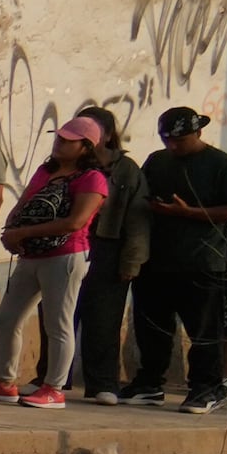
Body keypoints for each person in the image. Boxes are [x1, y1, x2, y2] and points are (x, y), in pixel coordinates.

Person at [0, 115, 111, 409]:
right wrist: (10, 231)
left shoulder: (92, 178)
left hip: (66, 255)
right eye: (59, 138)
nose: (59, 143)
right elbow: (24, 202)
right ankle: (5, 381)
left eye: (67, 140)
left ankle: (54, 387)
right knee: (7, 317)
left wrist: (24, 232)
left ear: (85, 146)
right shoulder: (46, 171)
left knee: (58, 322)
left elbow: (76, 222)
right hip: (31, 254)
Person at [135, 106, 227, 414]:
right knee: (153, 326)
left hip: (202, 262)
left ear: (198, 133)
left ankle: (205, 388)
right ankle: (148, 383)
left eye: (179, 140)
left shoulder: (224, 164)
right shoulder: (157, 161)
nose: (172, 145)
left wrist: (188, 213)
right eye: (166, 139)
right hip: (157, 259)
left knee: (203, 330)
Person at [78, 104, 153, 399]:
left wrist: (132, 261)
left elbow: (138, 220)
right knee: (60, 314)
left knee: (104, 319)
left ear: (108, 135)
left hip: (107, 246)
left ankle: (103, 383)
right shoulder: (70, 163)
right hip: (69, 244)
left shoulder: (126, 170)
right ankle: (51, 379)